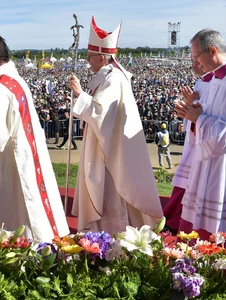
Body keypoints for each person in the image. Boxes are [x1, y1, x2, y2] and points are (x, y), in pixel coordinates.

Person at [0, 34, 69, 242]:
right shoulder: (13, 81)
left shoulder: (0, 89)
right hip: (22, 156)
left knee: (15, 214)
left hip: (9, 166)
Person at [68, 17, 163, 234]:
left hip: (110, 153)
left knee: (110, 198)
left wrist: (79, 95)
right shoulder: (107, 77)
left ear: (102, 57)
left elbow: (103, 114)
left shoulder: (114, 79)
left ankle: (110, 243)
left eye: (90, 56)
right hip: (103, 145)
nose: (87, 60)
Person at [175, 29, 226, 240]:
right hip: (206, 160)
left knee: (221, 231)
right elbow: (204, 117)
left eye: (196, 57)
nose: (194, 62)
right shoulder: (213, 79)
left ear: (212, 50)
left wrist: (198, 119)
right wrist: (191, 109)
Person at [163, 60, 213, 233]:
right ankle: (174, 218)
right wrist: (186, 108)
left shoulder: (219, 83)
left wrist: (191, 105)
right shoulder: (201, 81)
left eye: (197, 61)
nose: (193, 65)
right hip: (194, 142)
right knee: (183, 185)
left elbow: (208, 114)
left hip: (207, 144)